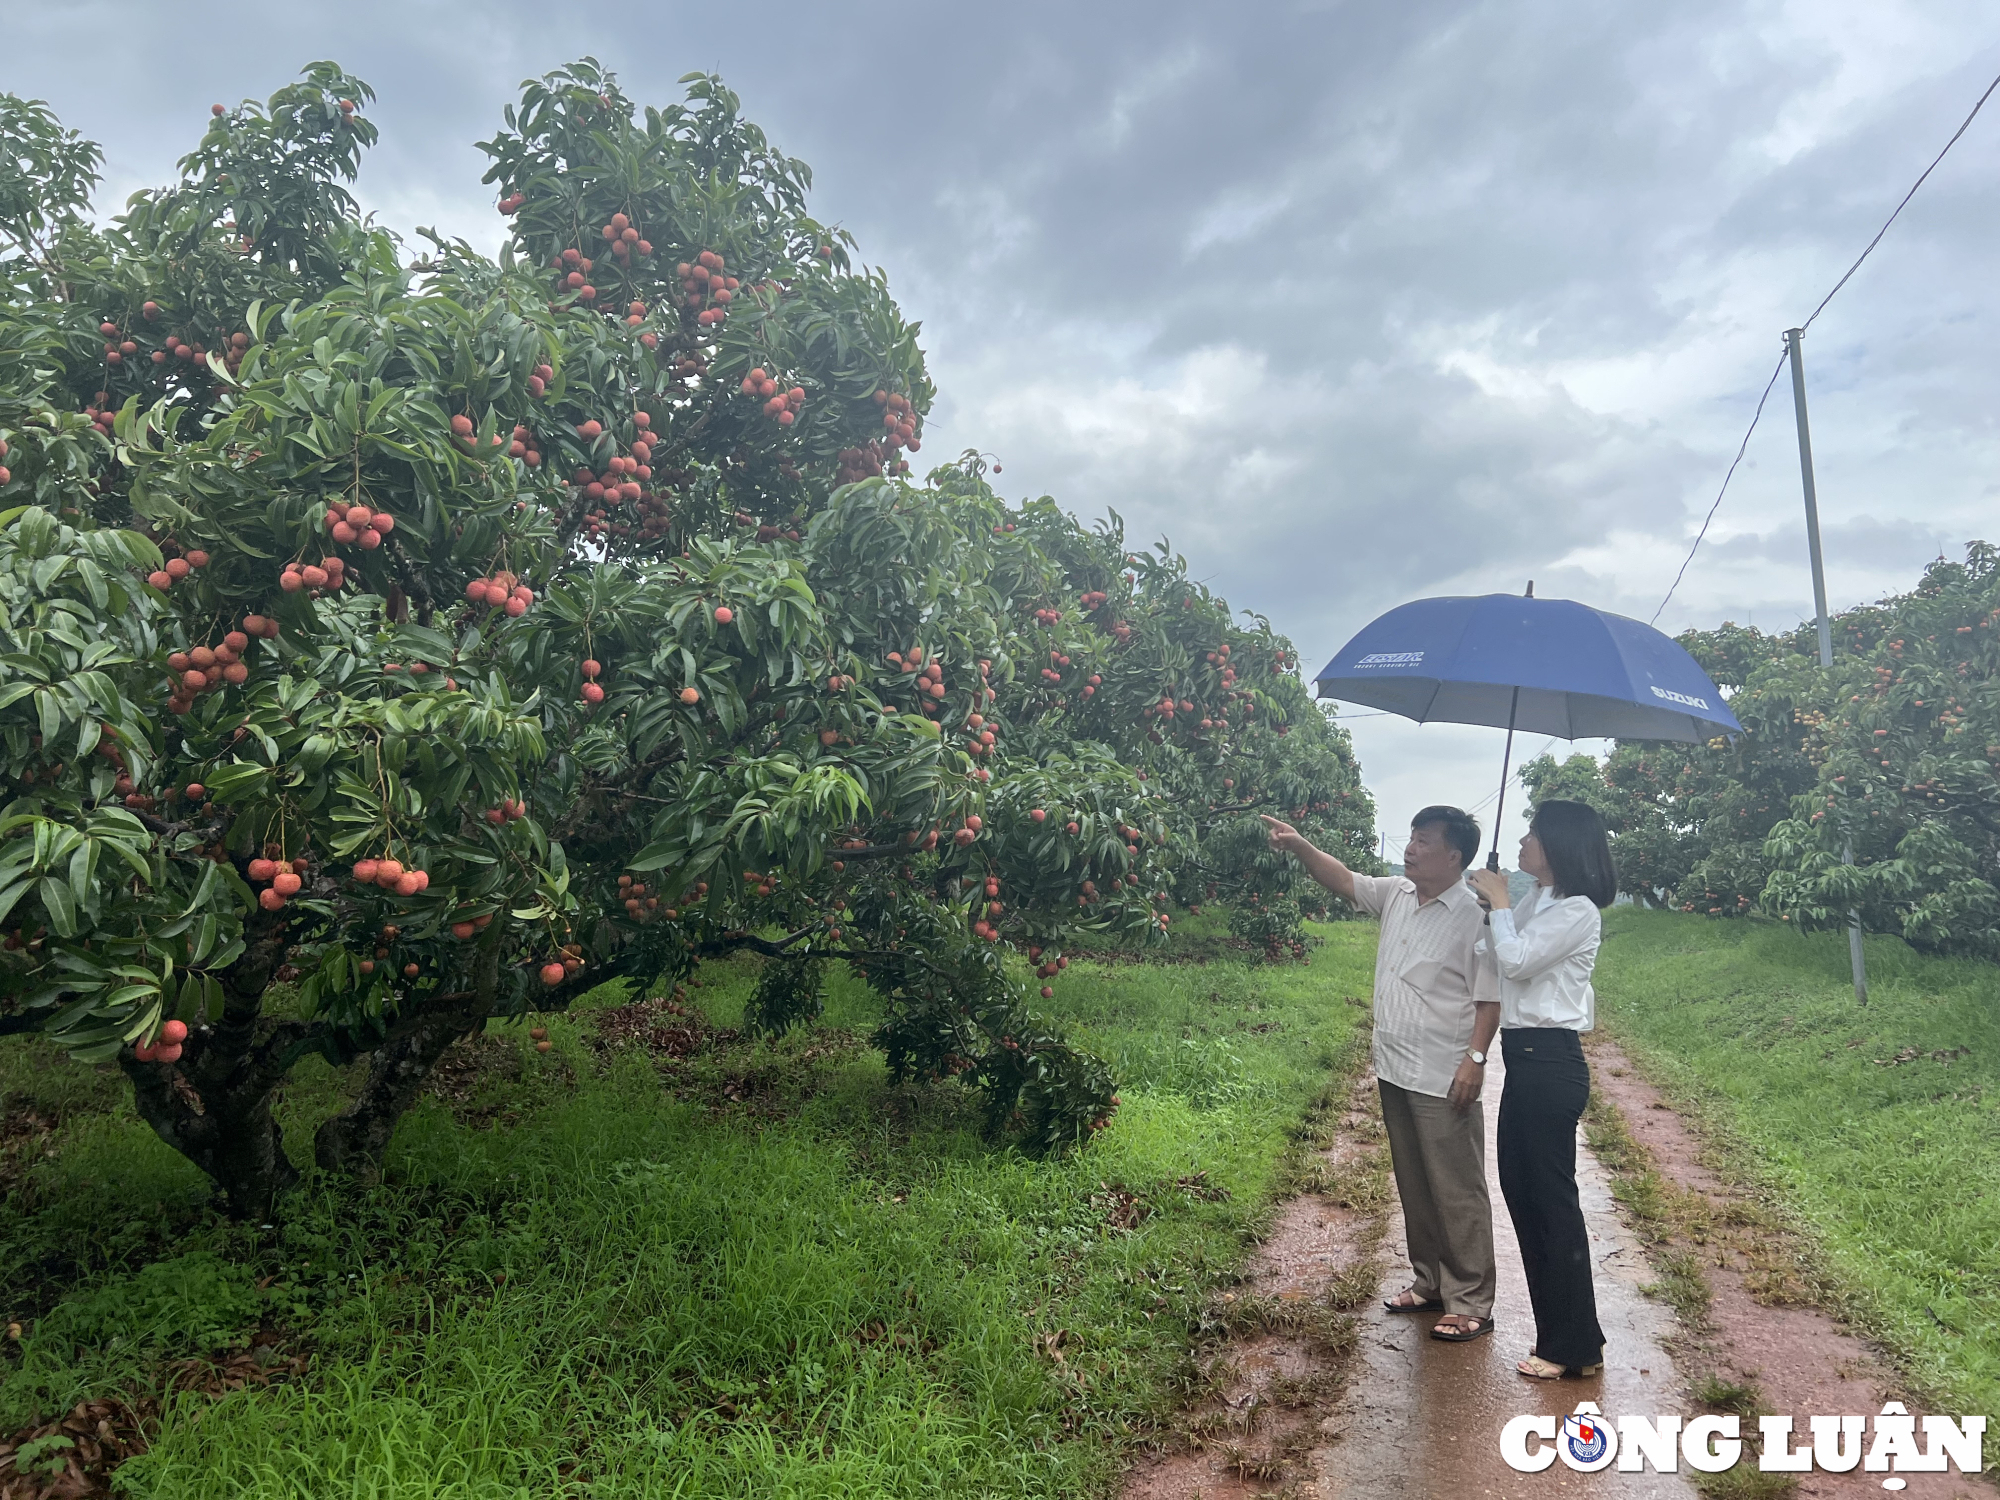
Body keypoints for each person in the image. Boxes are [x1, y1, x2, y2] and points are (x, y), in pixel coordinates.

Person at [1262, 807, 1500, 1343]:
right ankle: (1430, 1281)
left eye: (1422, 840)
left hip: (1443, 1071)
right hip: (1395, 1064)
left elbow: (1490, 1000)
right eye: (1411, 838)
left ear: (1455, 856)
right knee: (1416, 1182)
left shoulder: (1476, 915)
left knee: (1456, 1187)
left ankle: (1471, 1300)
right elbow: (1344, 879)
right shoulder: (1396, 893)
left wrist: (1476, 1061)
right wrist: (1301, 846)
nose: (1410, 848)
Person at [1466, 799, 1617, 1381]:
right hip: (1525, 1062)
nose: (1524, 843)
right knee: (1523, 1192)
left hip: (1551, 1062)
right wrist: (1494, 910)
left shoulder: (1579, 910)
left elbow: (1520, 961)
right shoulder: (1541, 899)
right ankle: (1571, 1334)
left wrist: (1503, 907)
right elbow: (1497, 958)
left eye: (1534, 834)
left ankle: (1572, 1344)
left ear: (1559, 846)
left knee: (1550, 1202)